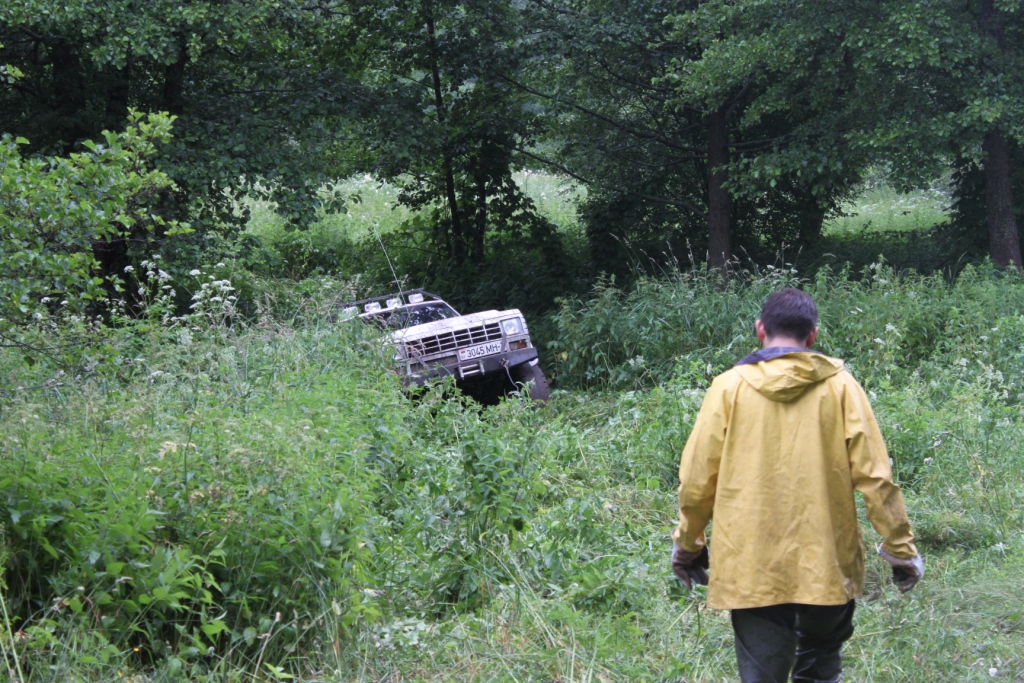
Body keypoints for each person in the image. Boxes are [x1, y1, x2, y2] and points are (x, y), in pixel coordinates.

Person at [670, 288, 924, 683]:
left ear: (760, 330)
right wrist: (900, 548)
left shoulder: (728, 388)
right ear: (812, 335)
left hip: (751, 560)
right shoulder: (842, 387)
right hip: (827, 559)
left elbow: (697, 480)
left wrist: (689, 544)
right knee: (821, 661)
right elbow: (877, 478)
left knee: (761, 673)